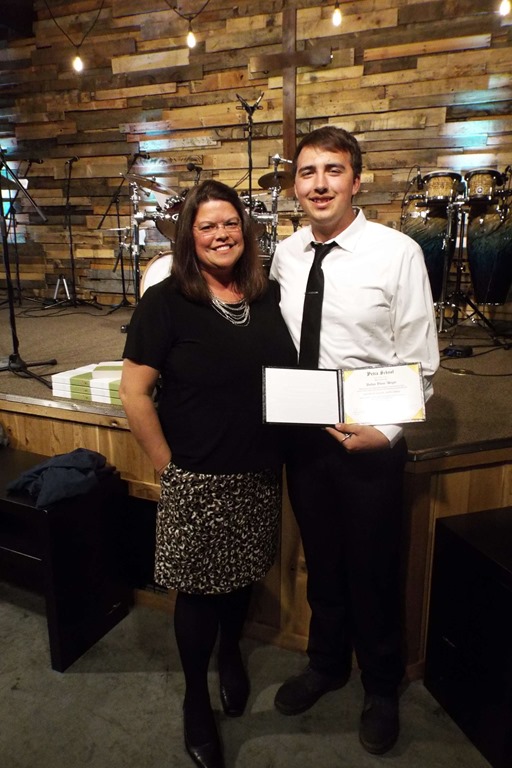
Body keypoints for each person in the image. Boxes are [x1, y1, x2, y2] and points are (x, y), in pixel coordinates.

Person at [269, 126, 440, 755]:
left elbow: (421, 360)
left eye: (333, 171)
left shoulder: (398, 253)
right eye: (307, 172)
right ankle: (326, 664)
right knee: (323, 561)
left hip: (371, 438)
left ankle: (381, 685)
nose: (319, 184)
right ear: (295, 185)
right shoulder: (285, 255)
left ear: (356, 181)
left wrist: (386, 433)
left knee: (374, 568)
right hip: (304, 436)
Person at [120, 179, 296, 768]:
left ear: (246, 231)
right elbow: (134, 393)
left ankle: (232, 654)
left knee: (241, 577)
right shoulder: (166, 302)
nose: (222, 235)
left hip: (258, 472)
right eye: (207, 226)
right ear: (188, 237)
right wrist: (168, 467)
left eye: (230, 224)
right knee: (197, 595)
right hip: (198, 476)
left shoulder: (264, 295)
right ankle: (196, 698)